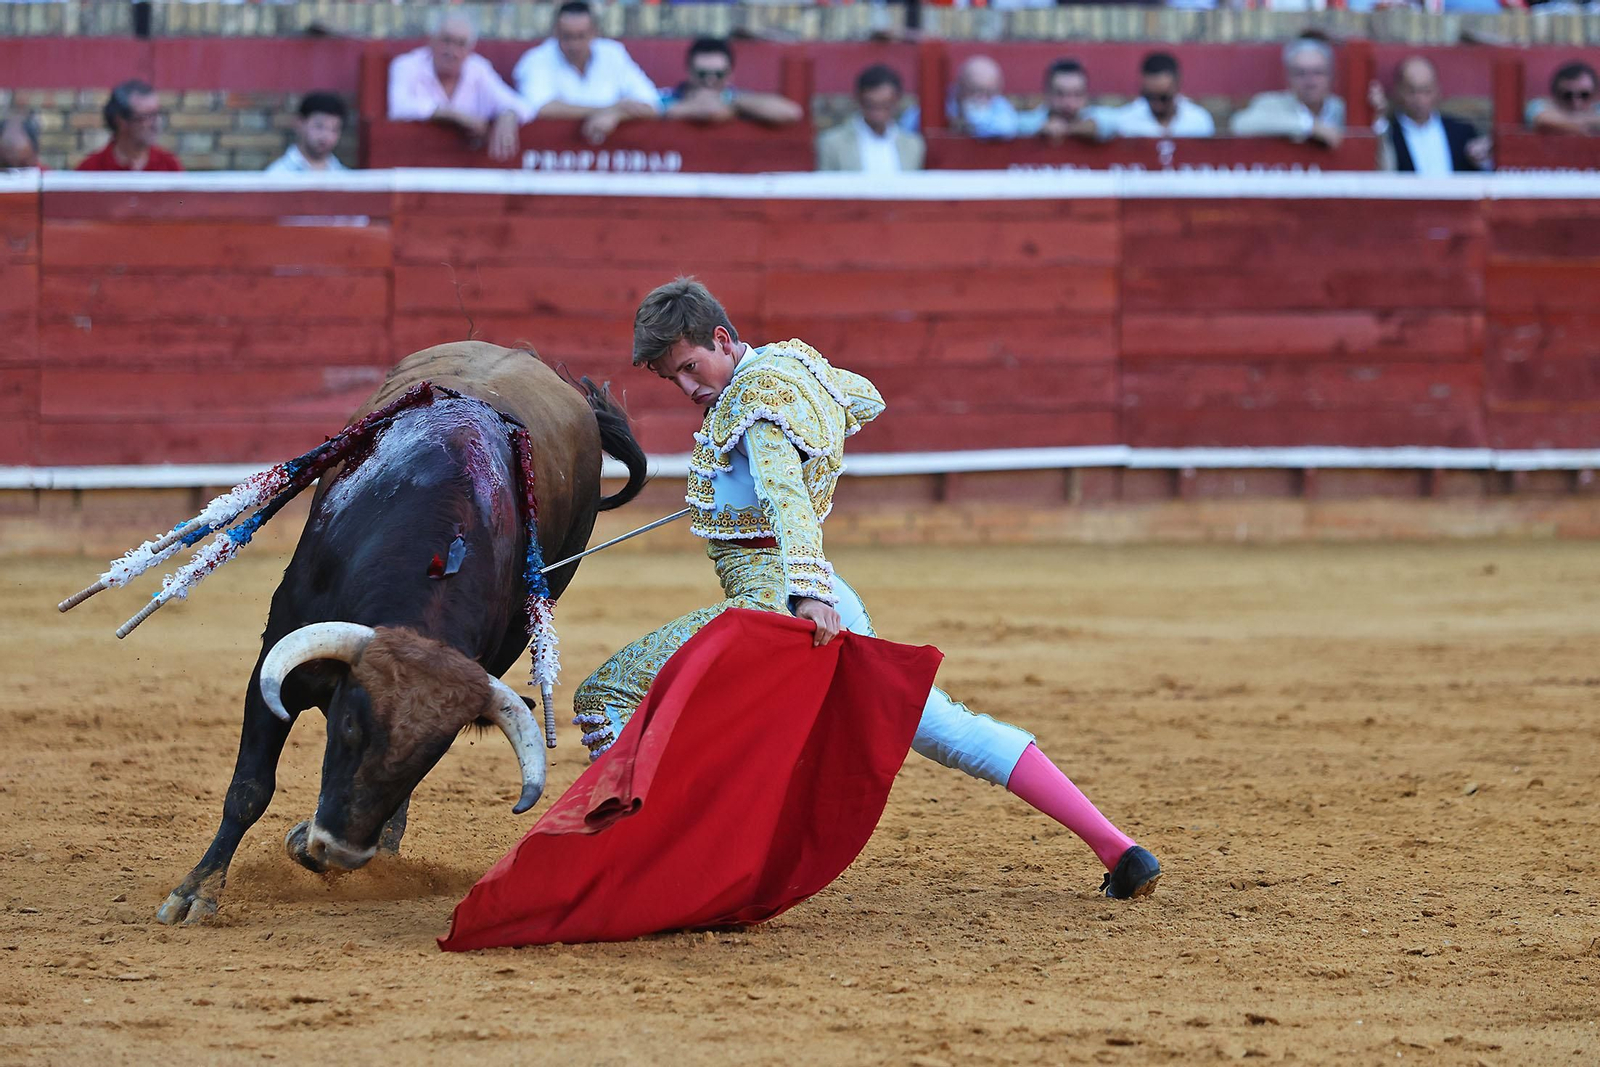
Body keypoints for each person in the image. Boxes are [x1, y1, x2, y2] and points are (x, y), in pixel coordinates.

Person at [571, 278, 1163, 902]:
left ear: (723, 338)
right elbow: (863, 398)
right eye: (673, 379)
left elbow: (786, 497)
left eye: (690, 367)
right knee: (939, 725)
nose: (689, 388)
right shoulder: (792, 366)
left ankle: (646, 868)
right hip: (825, 593)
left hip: (777, 603)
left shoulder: (754, 400)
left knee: (605, 693)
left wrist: (804, 591)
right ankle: (1117, 847)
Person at [388, 10, 531, 163]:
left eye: (461, 44)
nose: (452, 51)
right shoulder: (407, 65)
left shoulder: (478, 69)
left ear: (470, 49)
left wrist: (509, 115)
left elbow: (524, 107)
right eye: (446, 41)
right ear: (431, 40)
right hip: (414, 163)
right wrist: (455, 116)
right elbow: (399, 107)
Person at [513, 1, 661, 146]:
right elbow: (541, 108)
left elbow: (652, 104)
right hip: (552, 156)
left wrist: (616, 116)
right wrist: (609, 109)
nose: (574, 45)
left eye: (581, 36)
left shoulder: (613, 53)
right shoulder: (536, 59)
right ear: (555, 32)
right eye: (567, 36)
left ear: (595, 32)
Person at [1372, 56, 1488, 174]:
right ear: (1398, 91)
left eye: (1426, 91)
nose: (1419, 99)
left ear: (1437, 90)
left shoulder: (1462, 133)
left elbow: (1483, 173)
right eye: (1412, 91)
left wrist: (1483, 159)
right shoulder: (1389, 133)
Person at [1229, 37, 1346, 148]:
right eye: (1301, 73)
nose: (1310, 81)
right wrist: (1309, 126)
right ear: (1288, 78)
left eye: (1318, 72)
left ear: (1331, 76)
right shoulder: (1271, 104)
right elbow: (1240, 124)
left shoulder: (1341, 107)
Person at [660, 37, 803, 127]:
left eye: (719, 74)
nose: (710, 80)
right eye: (702, 74)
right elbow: (711, 111)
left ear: (729, 75)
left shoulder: (737, 99)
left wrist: (733, 104)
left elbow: (791, 112)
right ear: (689, 73)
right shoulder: (665, 98)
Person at [816, 64, 924, 173]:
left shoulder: (913, 145)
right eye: (871, 105)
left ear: (896, 101)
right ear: (859, 100)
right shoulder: (833, 144)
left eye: (885, 105)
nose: (878, 114)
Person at [76, 80, 183, 172]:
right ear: (121, 121)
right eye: (147, 116)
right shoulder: (91, 170)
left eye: (156, 114)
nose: (155, 123)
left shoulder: (169, 166)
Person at [1102, 52, 1215, 139]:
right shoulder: (1125, 121)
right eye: (1149, 97)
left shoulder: (1199, 121)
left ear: (1178, 85)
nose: (1157, 104)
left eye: (1164, 98)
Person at [1017, 59, 1109, 142]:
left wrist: (1068, 129)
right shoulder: (1029, 123)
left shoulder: (1097, 116)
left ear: (1086, 96)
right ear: (1047, 95)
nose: (1068, 103)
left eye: (1077, 94)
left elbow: (1110, 125)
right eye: (1060, 94)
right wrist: (1039, 131)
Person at [265, 92, 348, 173]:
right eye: (319, 126)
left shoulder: (345, 176)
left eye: (334, 129)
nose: (326, 136)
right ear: (299, 123)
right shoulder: (277, 175)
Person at [948, 54, 1021, 139]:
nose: (982, 98)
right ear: (961, 86)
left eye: (988, 93)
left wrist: (977, 119)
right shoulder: (945, 103)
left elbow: (1007, 128)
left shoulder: (997, 102)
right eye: (975, 90)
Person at [1526, 61, 1600, 135]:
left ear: (1595, 94)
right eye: (1568, 95)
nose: (1576, 102)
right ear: (1556, 95)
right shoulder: (1538, 105)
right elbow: (1542, 120)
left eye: (1584, 95)